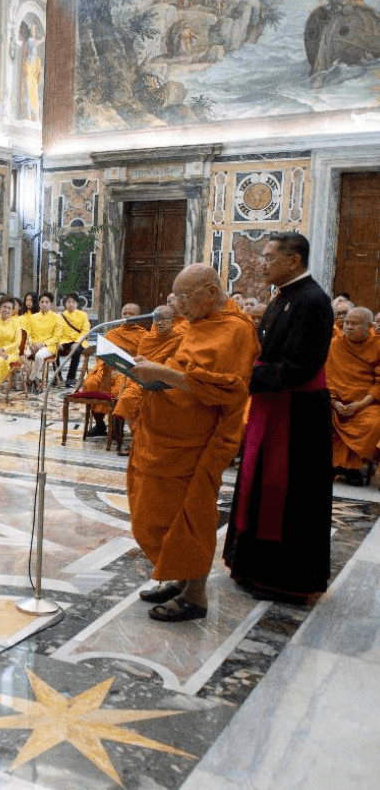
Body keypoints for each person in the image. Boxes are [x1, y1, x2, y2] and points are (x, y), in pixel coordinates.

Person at [128, 264, 259, 622]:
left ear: (212, 293)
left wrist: (165, 374)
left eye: (185, 297)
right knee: (156, 511)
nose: (178, 305)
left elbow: (230, 388)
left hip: (199, 441)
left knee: (192, 514)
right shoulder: (199, 324)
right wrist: (151, 369)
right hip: (165, 434)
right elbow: (185, 369)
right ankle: (180, 577)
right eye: (177, 297)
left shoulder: (235, 330)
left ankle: (196, 595)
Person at [226, 232, 334, 603]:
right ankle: (251, 567)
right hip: (271, 406)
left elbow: (301, 366)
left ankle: (285, 579)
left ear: (294, 260)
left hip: (297, 415)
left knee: (290, 496)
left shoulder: (313, 301)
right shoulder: (282, 298)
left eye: (269, 257)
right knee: (257, 488)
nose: (261, 262)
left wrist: (244, 377)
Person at [326, 306, 380, 485]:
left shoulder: (377, 345)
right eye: (347, 323)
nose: (348, 327)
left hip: (365, 403)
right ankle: (332, 464)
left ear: (369, 326)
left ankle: (353, 468)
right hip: (335, 400)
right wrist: (334, 402)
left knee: (374, 422)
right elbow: (327, 376)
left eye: (355, 324)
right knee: (318, 414)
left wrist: (360, 404)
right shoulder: (335, 344)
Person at [79, 303, 147, 437]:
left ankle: (117, 425)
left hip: (128, 371)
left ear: (138, 317)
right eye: (125, 313)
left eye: (132, 314)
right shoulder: (111, 334)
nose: (127, 316)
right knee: (90, 383)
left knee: (119, 389)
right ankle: (99, 424)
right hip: (108, 368)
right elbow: (102, 356)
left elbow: (142, 358)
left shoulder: (144, 336)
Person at [113, 305, 186, 427]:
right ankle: (135, 435)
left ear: (172, 320)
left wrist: (155, 369)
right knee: (128, 397)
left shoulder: (180, 338)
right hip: (142, 380)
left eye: (164, 319)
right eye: (157, 319)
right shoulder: (148, 339)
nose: (160, 323)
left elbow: (177, 365)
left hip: (165, 382)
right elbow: (138, 362)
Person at [22, 292, 60, 392]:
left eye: (47, 302)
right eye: (42, 302)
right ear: (39, 303)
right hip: (34, 345)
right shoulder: (33, 317)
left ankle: (30, 380)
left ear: (51, 304)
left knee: (38, 356)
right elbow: (29, 333)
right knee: (23, 355)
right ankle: (36, 378)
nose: (44, 304)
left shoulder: (56, 318)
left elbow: (56, 337)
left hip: (48, 346)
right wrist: (32, 344)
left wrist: (42, 344)